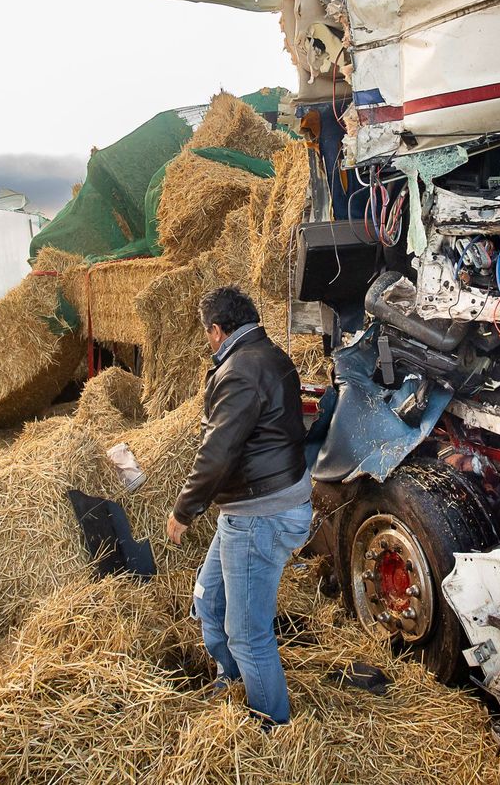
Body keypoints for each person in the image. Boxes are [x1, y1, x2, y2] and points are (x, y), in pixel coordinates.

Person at [166, 285, 312, 726]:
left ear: (216, 329)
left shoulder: (240, 370)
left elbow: (218, 451)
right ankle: (231, 680)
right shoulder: (267, 353)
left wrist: (183, 510)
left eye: (206, 333)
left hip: (259, 514)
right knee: (209, 599)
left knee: (247, 634)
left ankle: (270, 726)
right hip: (252, 507)